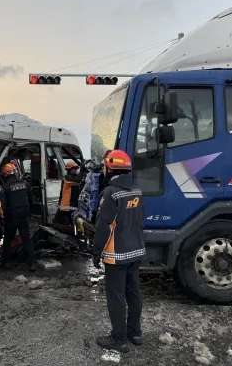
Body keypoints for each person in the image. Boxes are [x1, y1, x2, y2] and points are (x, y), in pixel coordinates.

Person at [92, 149, 146, 354]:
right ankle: (135, 333)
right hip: (136, 251)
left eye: (105, 166)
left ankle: (119, 339)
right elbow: (141, 221)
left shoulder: (111, 193)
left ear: (109, 168)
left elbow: (105, 225)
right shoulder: (137, 191)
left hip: (117, 255)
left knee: (116, 297)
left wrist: (97, 253)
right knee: (134, 293)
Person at [0, 163, 37, 272]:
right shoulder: (25, 183)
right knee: (26, 239)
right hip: (24, 214)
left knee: (7, 240)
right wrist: (29, 212)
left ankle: (6, 262)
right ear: (15, 172)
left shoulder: (5, 187)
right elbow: (30, 199)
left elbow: (3, 204)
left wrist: (3, 217)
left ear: (5, 174)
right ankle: (32, 263)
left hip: (12, 216)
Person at [53, 161, 83, 225]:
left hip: (71, 204)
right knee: (57, 222)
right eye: (75, 169)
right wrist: (82, 171)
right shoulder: (67, 178)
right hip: (66, 205)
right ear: (71, 170)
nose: (76, 170)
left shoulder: (73, 177)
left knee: (72, 221)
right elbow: (77, 180)